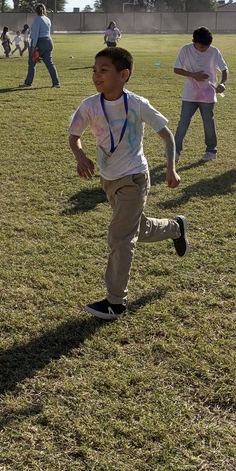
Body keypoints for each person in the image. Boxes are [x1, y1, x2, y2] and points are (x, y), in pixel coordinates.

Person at [69, 46, 188, 320]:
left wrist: (171, 168)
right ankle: (175, 228)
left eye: (104, 70)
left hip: (134, 178)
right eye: (94, 70)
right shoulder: (89, 105)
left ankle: (116, 302)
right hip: (108, 179)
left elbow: (167, 135)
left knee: (120, 237)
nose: (96, 75)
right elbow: (74, 135)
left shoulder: (137, 104)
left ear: (124, 75)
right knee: (139, 229)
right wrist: (80, 156)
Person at [172, 26, 228, 162]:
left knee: (208, 123)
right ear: (194, 42)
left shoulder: (214, 51)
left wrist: (222, 83)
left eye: (206, 46)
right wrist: (193, 75)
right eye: (201, 46)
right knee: (183, 122)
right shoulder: (186, 50)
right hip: (190, 94)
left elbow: (224, 69)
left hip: (208, 94)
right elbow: (176, 69)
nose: (204, 49)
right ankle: (175, 151)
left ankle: (211, 150)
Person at [19, 3, 60, 88]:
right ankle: (56, 83)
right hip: (49, 41)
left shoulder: (37, 19)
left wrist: (33, 47)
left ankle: (28, 82)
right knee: (49, 63)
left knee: (32, 63)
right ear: (44, 10)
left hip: (39, 42)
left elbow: (36, 33)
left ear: (36, 11)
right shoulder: (47, 19)